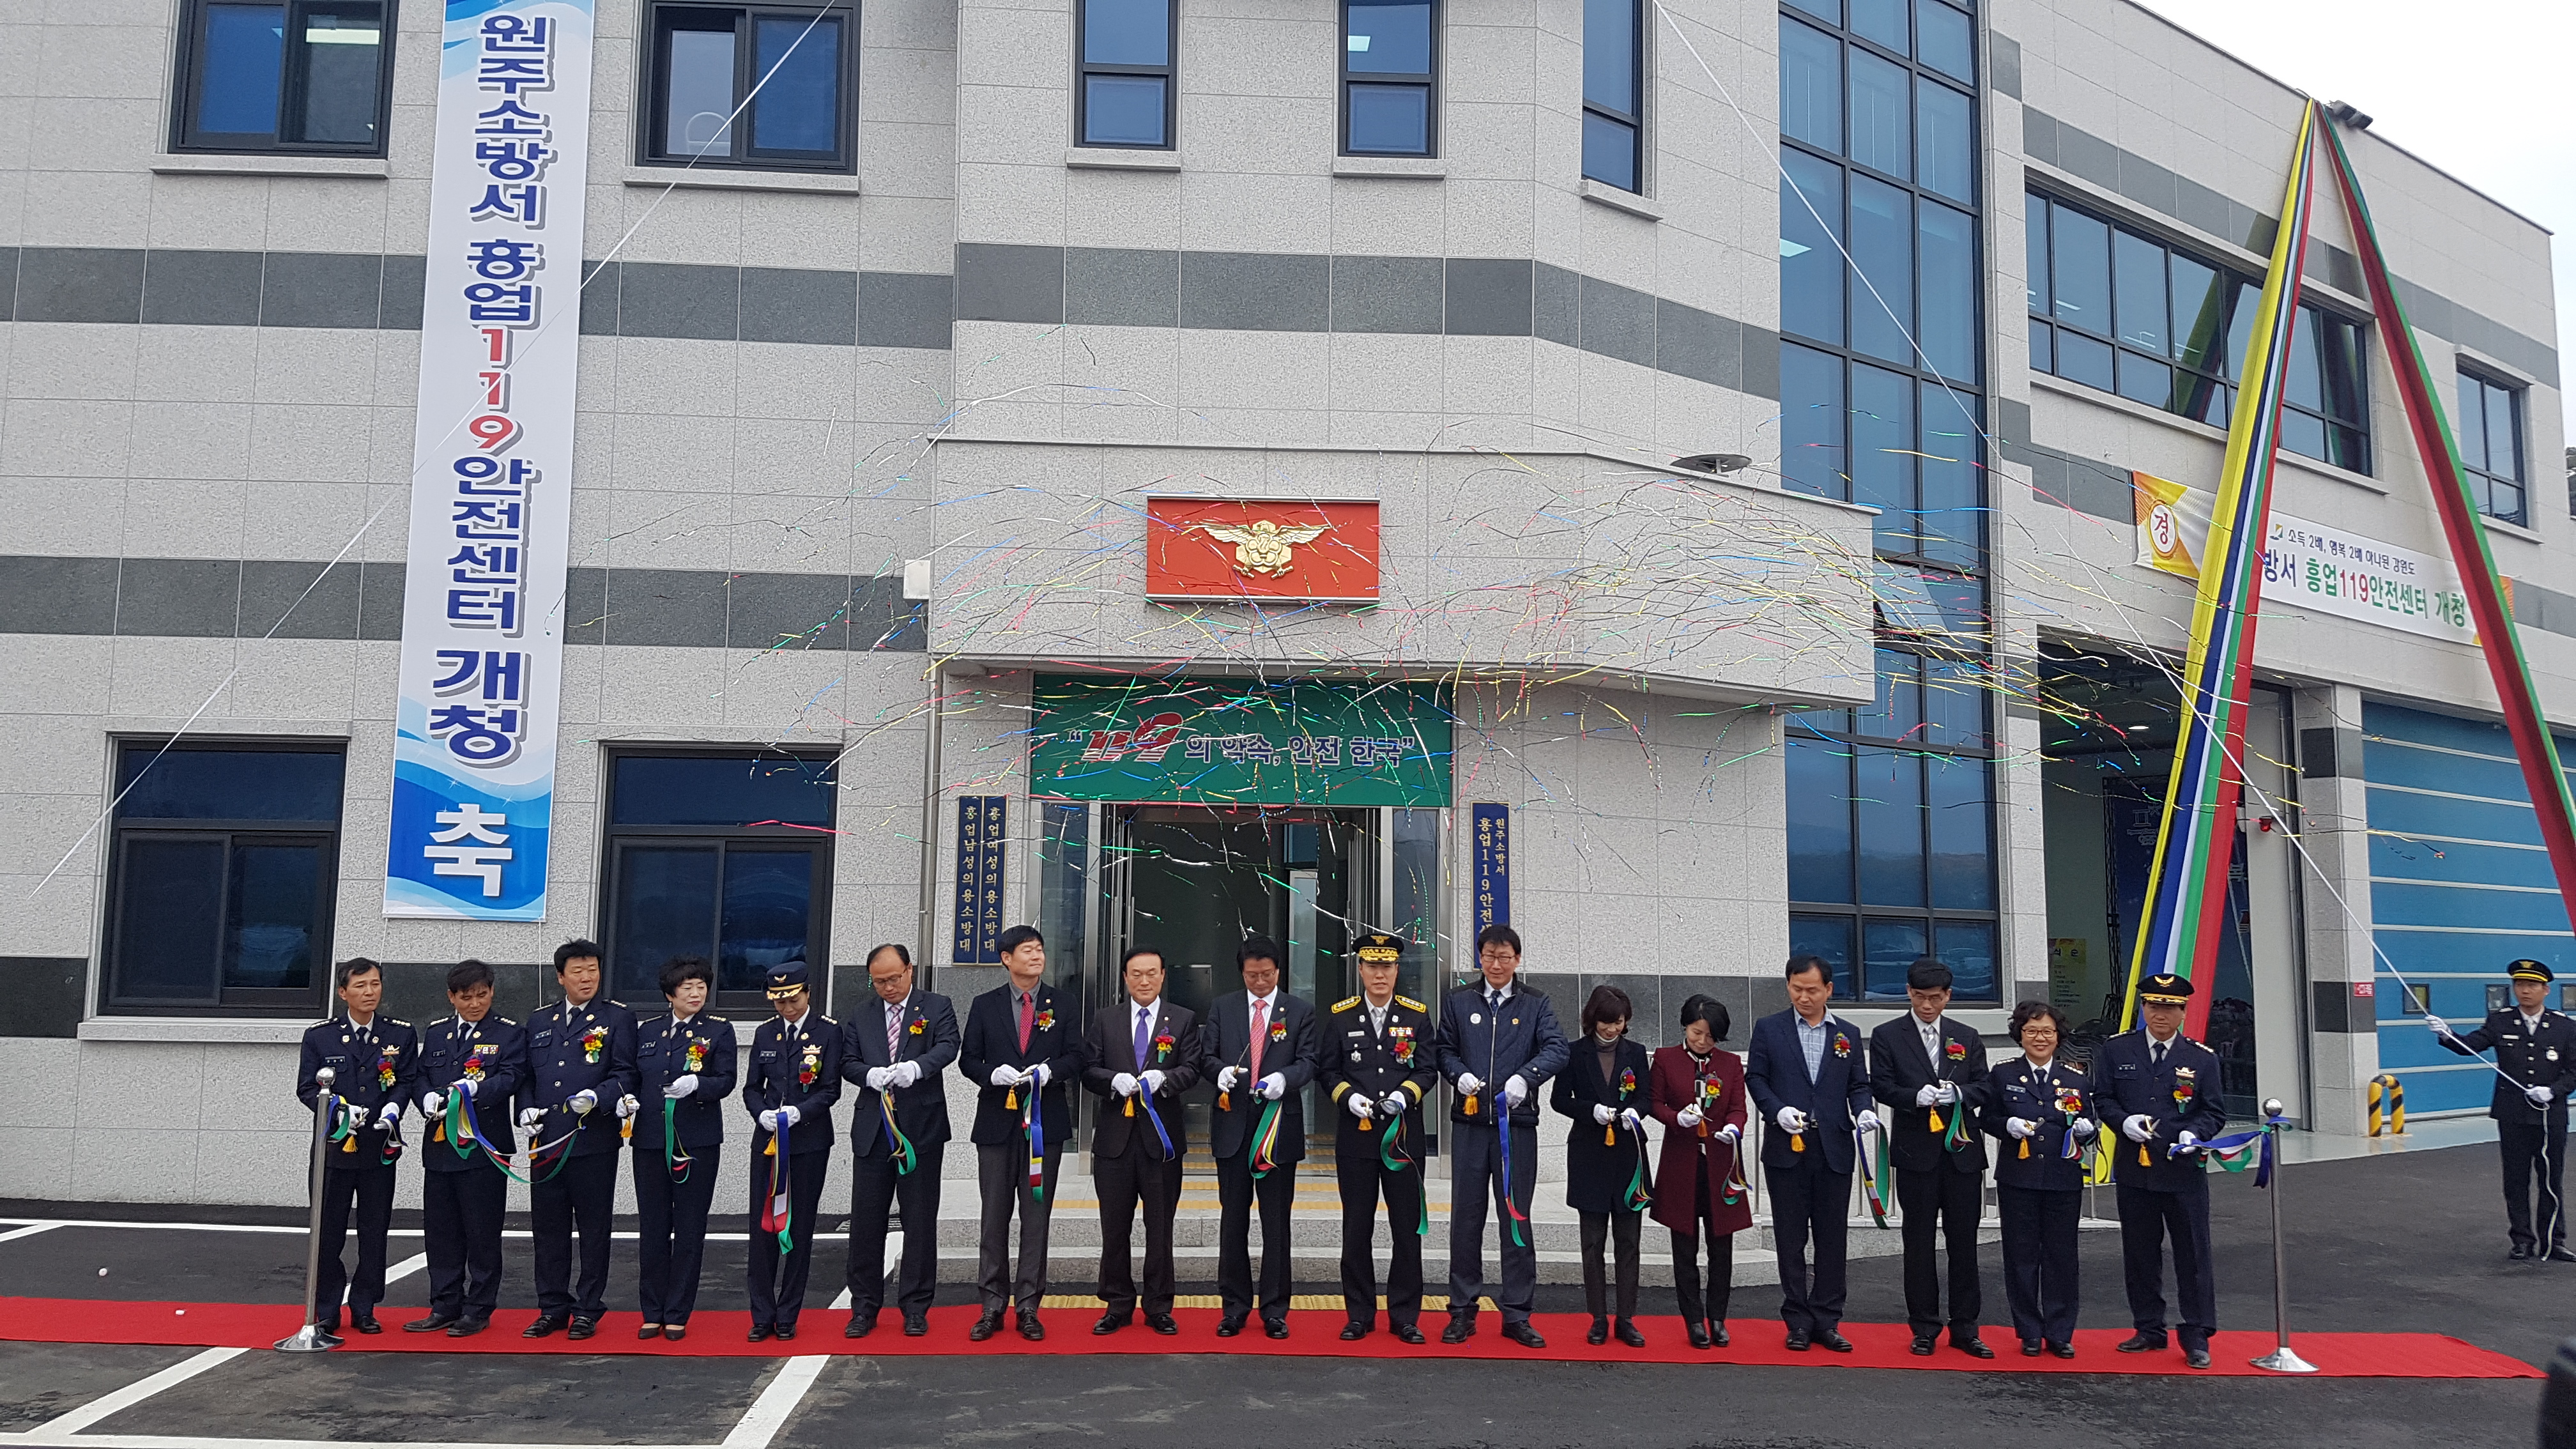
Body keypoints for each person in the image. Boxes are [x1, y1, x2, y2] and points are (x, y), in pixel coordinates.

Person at [1432, 923, 1569, 1347]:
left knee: (1516, 1219)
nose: (1496, 964)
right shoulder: (1458, 1001)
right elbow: (1443, 1049)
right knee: (1466, 1221)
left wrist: (1526, 1078)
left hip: (1517, 1127)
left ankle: (1517, 1314)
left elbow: (1557, 1048)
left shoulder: (1536, 1003)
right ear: (1480, 958)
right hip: (1470, 1126)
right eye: (1489, 956)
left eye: (1504, 957)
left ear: (1517, 960)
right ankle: (1462, 1311)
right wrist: (1459, 1074)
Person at [1742, 953, 1879, 1353]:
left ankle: (1828, 1319)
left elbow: (1858, 1083)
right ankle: (1797, 1320)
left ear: (1829, 990)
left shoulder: (1847, 1033)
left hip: (1833, 1146)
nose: (1804, 997)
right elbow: (1756, 1077)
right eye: (1797, 989)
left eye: (1812, 990)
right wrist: (1776, 1110)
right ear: (1788, 986)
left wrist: (1864, 1109)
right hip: (1787, 1146)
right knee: (1790, 1237)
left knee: (1832, 1237)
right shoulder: (1770, 1029)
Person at [957, 924, 1084, 1342]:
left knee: (1036, 1218)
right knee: (993, 1218)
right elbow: (968, 1059)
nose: (1037, 956)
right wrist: (992, 1074)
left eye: (1040, 949)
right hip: (997, 1124)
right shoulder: (985, 1005)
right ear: (1006, 958)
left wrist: (1051, 1072)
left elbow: (1077, 1056)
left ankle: (1029, 1305)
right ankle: (991, 1305)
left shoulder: (1063, 1004)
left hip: (1044, 1126)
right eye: (1027, 950)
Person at [2095, 970, 2227, 1369]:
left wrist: (2194, 1132)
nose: (2161, 1014)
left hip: (2183, 1172)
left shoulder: (2201, 1058)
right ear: (2143, 1008)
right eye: (2154, 1006)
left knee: (2193, 1254)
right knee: (2139, 1253)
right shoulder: (2117, 1050)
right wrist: (2122, 1122)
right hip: (2135, 1171)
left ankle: (2197, 1334)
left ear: (2183, 1012)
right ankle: (2148, 1327)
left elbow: (2214, 1112)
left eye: (2170, 1007)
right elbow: (2103, 1098)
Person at [1867, 956, 1995, 1359]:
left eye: (1935, 998)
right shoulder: (1888, 1035)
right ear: (1908, 992)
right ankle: (1924, 1327)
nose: (1927, 1005)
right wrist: (1913, 1097)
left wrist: (1959, 1094)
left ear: (1948, 996)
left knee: (1964, 1243)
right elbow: (1881, 1086)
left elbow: (1984, 1085)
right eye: (1920, 997)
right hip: (1915, 1154)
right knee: (1918, 1243)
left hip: (1961, 1153)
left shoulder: (1966, 1036)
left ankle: (1966, 1327)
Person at [1201, 934, 1321, 1339]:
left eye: (1266, 974)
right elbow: (1205, 1055)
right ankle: (1233, 1307)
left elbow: (1309, 1061)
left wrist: (1284, 1079)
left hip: (1278, 1127)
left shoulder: (1299, 1011)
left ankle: (1275, 1309)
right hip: (1233, 1127)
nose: (1260, 982)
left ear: (1278, 971)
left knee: (1276, 1223)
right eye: (1252, 975)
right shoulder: (1223, 1007)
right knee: (1232, 1220)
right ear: (1242, 973)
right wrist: (1218, 1072)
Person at [1320, 932, 1438, 1343]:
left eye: (1387, 966)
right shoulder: (1341, 1016)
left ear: (1397, 970)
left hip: (1403, 1139)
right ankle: (1359, 1314)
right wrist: (1347, 1097)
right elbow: (1327, 1070)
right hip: (1357, 1138)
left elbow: (1427, 1069)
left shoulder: (1417, 1015)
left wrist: (1406, 1095)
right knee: (1357, 1229)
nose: (1380, 974)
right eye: (1372, 966)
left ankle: (1405, 1316)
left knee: (1407, 1229)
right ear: (1360, 970)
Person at [519, 938, 638, 1340]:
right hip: (546, 1142)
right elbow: (528, 1078)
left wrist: (599, 1097)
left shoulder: (618, 1018)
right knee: (548, 1229)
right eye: (577, 972)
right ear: (560, 977)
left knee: (593, 1228)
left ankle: (588, 1308)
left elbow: (626, 1073)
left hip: (593, 1140)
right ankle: (552, 1306)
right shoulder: (540, 1020)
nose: (587, 978)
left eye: (593, 970)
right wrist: (526, 1111)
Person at [293, 957, 416, 1341]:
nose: (369, 992)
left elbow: (405, 1080)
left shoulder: (399, 1034)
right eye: (360, 986)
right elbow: (307, 1088)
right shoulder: (321, 1036)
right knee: (328, 1232)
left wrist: (393, 1109)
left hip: (378, 1147)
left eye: (375, 984)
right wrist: (339, 1110)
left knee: (374, 1232)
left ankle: (365, 1307)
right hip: (334, 1149)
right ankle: (327, 1309)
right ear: (343, 992)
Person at [1082, 945, 1201, 1335]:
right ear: (1125, 978)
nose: (1144, 981)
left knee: (1160, 1227)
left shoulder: (1182, 1019)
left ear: (1163, 976)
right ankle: (1117, 1304)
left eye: (1152, 973)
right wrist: (1111, 1080)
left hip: (1161, 1142)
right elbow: (1088, 1069)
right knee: (1114, 1227)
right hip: (1114, 1142)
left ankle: (1159, 1305)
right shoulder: (1106, 1019)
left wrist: (1163, 1079)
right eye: (1136, 974)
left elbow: (1192, 1069)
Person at [841, 943, 958, 1338]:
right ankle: (864, 1307)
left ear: (909, 970)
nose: (888, 987)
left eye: (893, 978)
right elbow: (847, 1061)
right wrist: (867, 1075)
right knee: (866, 1222)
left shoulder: (936, 1006)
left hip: (920, 1129)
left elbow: (948, 1046)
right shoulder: (861, 1014)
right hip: (873, 1130)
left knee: (920, 1220)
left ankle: (916, 1307)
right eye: (879, 982)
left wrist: (917, 1068)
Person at [406, 958, 527, 1338]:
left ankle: (478, 1308)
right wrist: (425, 1098)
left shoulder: (509, 1033)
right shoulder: (438, 1032)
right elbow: (420, 1075)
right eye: (466, 997)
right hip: (440, 1146)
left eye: (482, 995)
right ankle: (445, 1304)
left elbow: (511, 1077)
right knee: (441, 1232)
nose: (475, 1003)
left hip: (484, 1148)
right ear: (451, 997)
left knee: (482, 1232)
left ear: (492, 992)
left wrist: (475, 1089)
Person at [2430, 959, 2576, 1262]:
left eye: (2532, 985)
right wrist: (2446, 1034)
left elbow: (2574, 1070)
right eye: (2520, 985)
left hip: (2550, 1114)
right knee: (2515, 1178)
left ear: (2546, 990)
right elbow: (2470, 1046)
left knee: (2551, 1179)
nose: (2525, 991)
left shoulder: (2565, 1026)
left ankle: (2554, 1240)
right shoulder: (2501, 1021)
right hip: (2512, 1113)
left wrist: (2554, 1090)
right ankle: (2522, 1240)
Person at [632, 954, 735, 1342]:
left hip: (697, 1141)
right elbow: (632, 1076)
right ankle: (651, 1311)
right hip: (650, 1140)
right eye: (687, 987)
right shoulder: (648, 1031)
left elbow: (726, 1080)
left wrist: (698, 1085)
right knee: (653, 1227)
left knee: (690, 1227)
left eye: (701, 987)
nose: (695, 994)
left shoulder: (719, 1030)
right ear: (669, 994)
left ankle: (677, 1311)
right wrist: (626, 1100)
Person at [1983, 1000, 2096, 1358]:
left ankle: (2060, 1332)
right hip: (2019, 1178)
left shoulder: (2075, 1078)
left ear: (2058, 1036)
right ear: (2020, 1035)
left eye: (2047, 1031)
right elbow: (1986, 1117)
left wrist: (2088, 1131)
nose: (2040, 1038)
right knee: (2021, 1256)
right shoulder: (2003, 1074)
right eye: (2031, 1031)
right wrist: (2007, 1125)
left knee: (2062, 1257)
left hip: (2063, 1179)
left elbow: (2090, 1124)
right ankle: (2029, 1330)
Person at [1551, 984, 1654, 1347]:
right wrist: (1589, 1110)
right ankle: (1597, 1317)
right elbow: (1559, 1100)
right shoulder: (1574, 1052)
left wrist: (1635, 1113)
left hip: (1627, 1155)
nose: (1612, 1030)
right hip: (1589, 1155)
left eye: (1619, 1022)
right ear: (1592, 1019)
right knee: (1592, 1242)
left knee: (1629, 1242)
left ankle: (1626, 1318)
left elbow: (1647, 1097)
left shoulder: (1636, 1053)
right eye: (1606, 1022)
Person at [744, 961, 842, 1342]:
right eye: (779, 1002)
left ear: (808, 993)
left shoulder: (828, 1032)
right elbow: (752, 1087)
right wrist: (761, 1113)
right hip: (768, 1142)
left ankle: (788, 1313)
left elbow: (830, 1089)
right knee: (763, 1227)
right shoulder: (765, 1033)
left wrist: (800, 1112)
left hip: (809, 1142)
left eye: (793, 1000)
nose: (787, 1008)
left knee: (799, 1227)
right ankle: (761, 1314)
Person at [1648, 993, 1750, 1351]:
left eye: (1710, 1036)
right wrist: (1676, 1118)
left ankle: (1718, 1317)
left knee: (1722, 1247)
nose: (1703, 1041)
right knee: (1684, 1247)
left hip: (1720, 1163)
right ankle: (1693, 1319)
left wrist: (1734, 1127)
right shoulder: (1666, 1059)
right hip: (1682, 1162)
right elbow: (1654, 1103)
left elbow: (1738, 1108)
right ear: (1685, 1027)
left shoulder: (1730, 1064)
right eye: (1697, 1033)